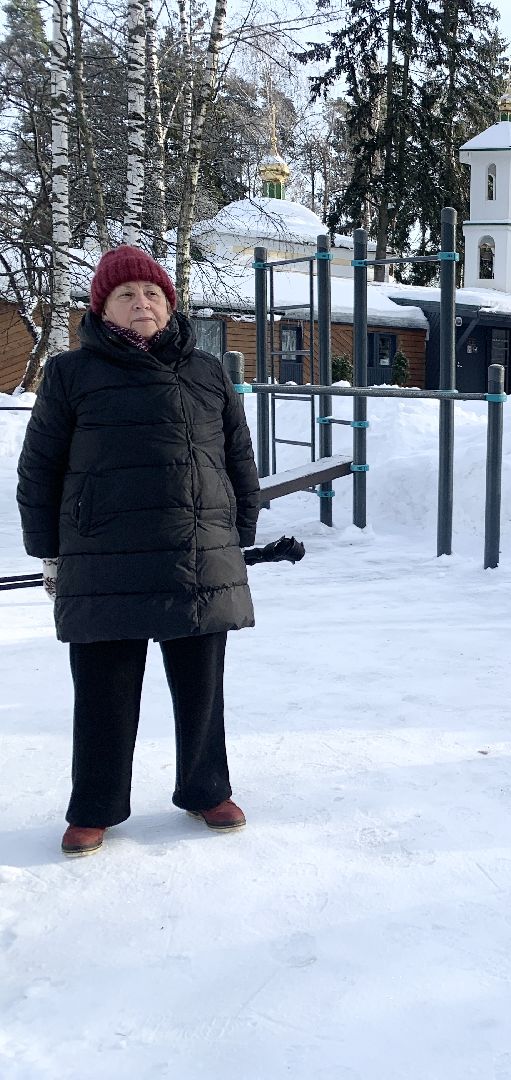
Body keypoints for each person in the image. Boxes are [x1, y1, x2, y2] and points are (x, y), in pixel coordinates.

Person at [16, 245, 261, 858]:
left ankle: (207, 790)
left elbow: (238, 455)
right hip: (104, 556)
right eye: (126, 294)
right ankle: (95, 808)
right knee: (104, 692)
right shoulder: (71, 374)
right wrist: (48, 551)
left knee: (201, 688)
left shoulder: (207, 372)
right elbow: (39, 467)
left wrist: (239, 530)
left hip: (197, 551)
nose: (141, 303)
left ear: (169, 305)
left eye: (152, 293)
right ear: (103, 309)